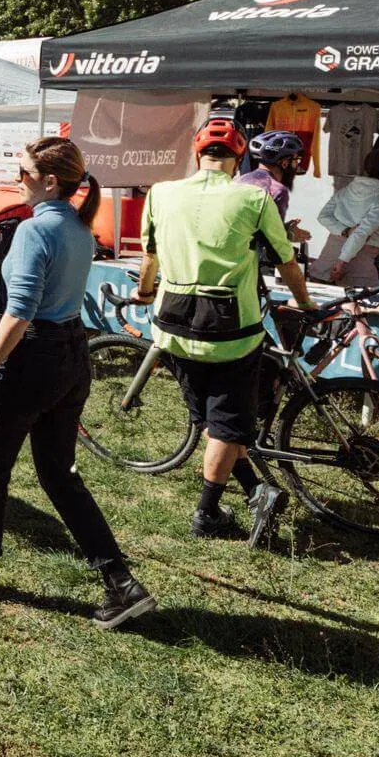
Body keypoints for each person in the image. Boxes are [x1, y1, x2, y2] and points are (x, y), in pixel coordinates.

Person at [0, 138, 154, 629]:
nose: (19, 179)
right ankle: (121, 583)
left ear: (50, 181)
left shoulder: (35, 231)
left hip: (33, 358)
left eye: (23, 171)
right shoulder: (79, 228)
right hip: (72, 356)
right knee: (60, 476)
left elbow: (20, 309)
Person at [132, 118, 316, 548]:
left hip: (174, 325)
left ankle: (254, 491)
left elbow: (150, 256)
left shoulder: (161, 192)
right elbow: (287, 263)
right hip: (232, 330)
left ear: (198, 154)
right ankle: (207, 512)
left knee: (212, 420)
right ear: (240, 160)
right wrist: (307, 305)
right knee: (227, 426)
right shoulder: (254, 198)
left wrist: (144, 293)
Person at [309, 147, 379, 287]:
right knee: (362, 304)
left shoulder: (348, 190)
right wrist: (342, 261)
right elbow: (361, 233)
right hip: (358, 262)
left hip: (329, 257)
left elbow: (323, 217)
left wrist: (344, 231)